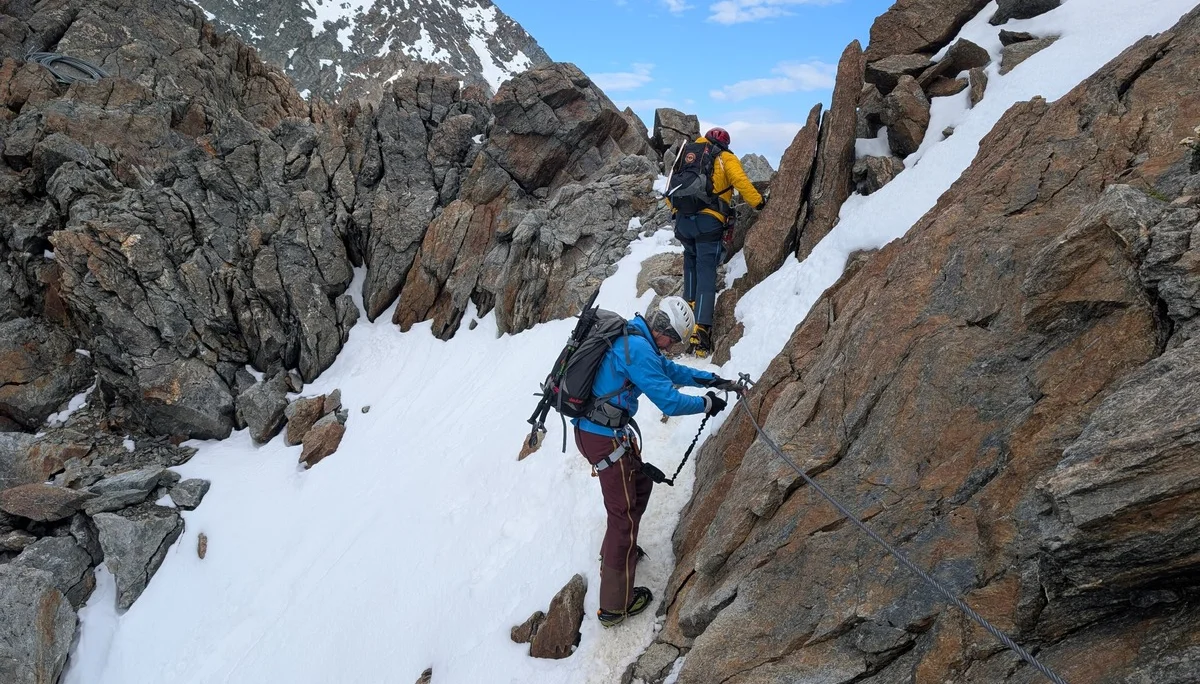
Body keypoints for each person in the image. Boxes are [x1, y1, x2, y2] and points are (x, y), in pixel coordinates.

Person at [573, 296, 744, 627]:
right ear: (663, 331)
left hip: (602, 432)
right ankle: (613, 607)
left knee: (640, 482)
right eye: (674, 341)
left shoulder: (637, 337)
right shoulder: (638, 350)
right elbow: (669, 401)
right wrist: (706, 405)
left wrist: (713, 382)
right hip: (602, 438)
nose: (672, 348)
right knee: (622, 516)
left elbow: (669, 370)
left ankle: (618, 552)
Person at [666, 127, 766, 357]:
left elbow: (672, 187)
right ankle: (700, 332)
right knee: (706, 272)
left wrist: (676, 212)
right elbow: (741, 182)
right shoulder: (724, 158)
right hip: (709, 223)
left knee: (690, 264)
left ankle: (685, 316)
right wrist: (759, 203)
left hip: (683, 221)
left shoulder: (688, 155)